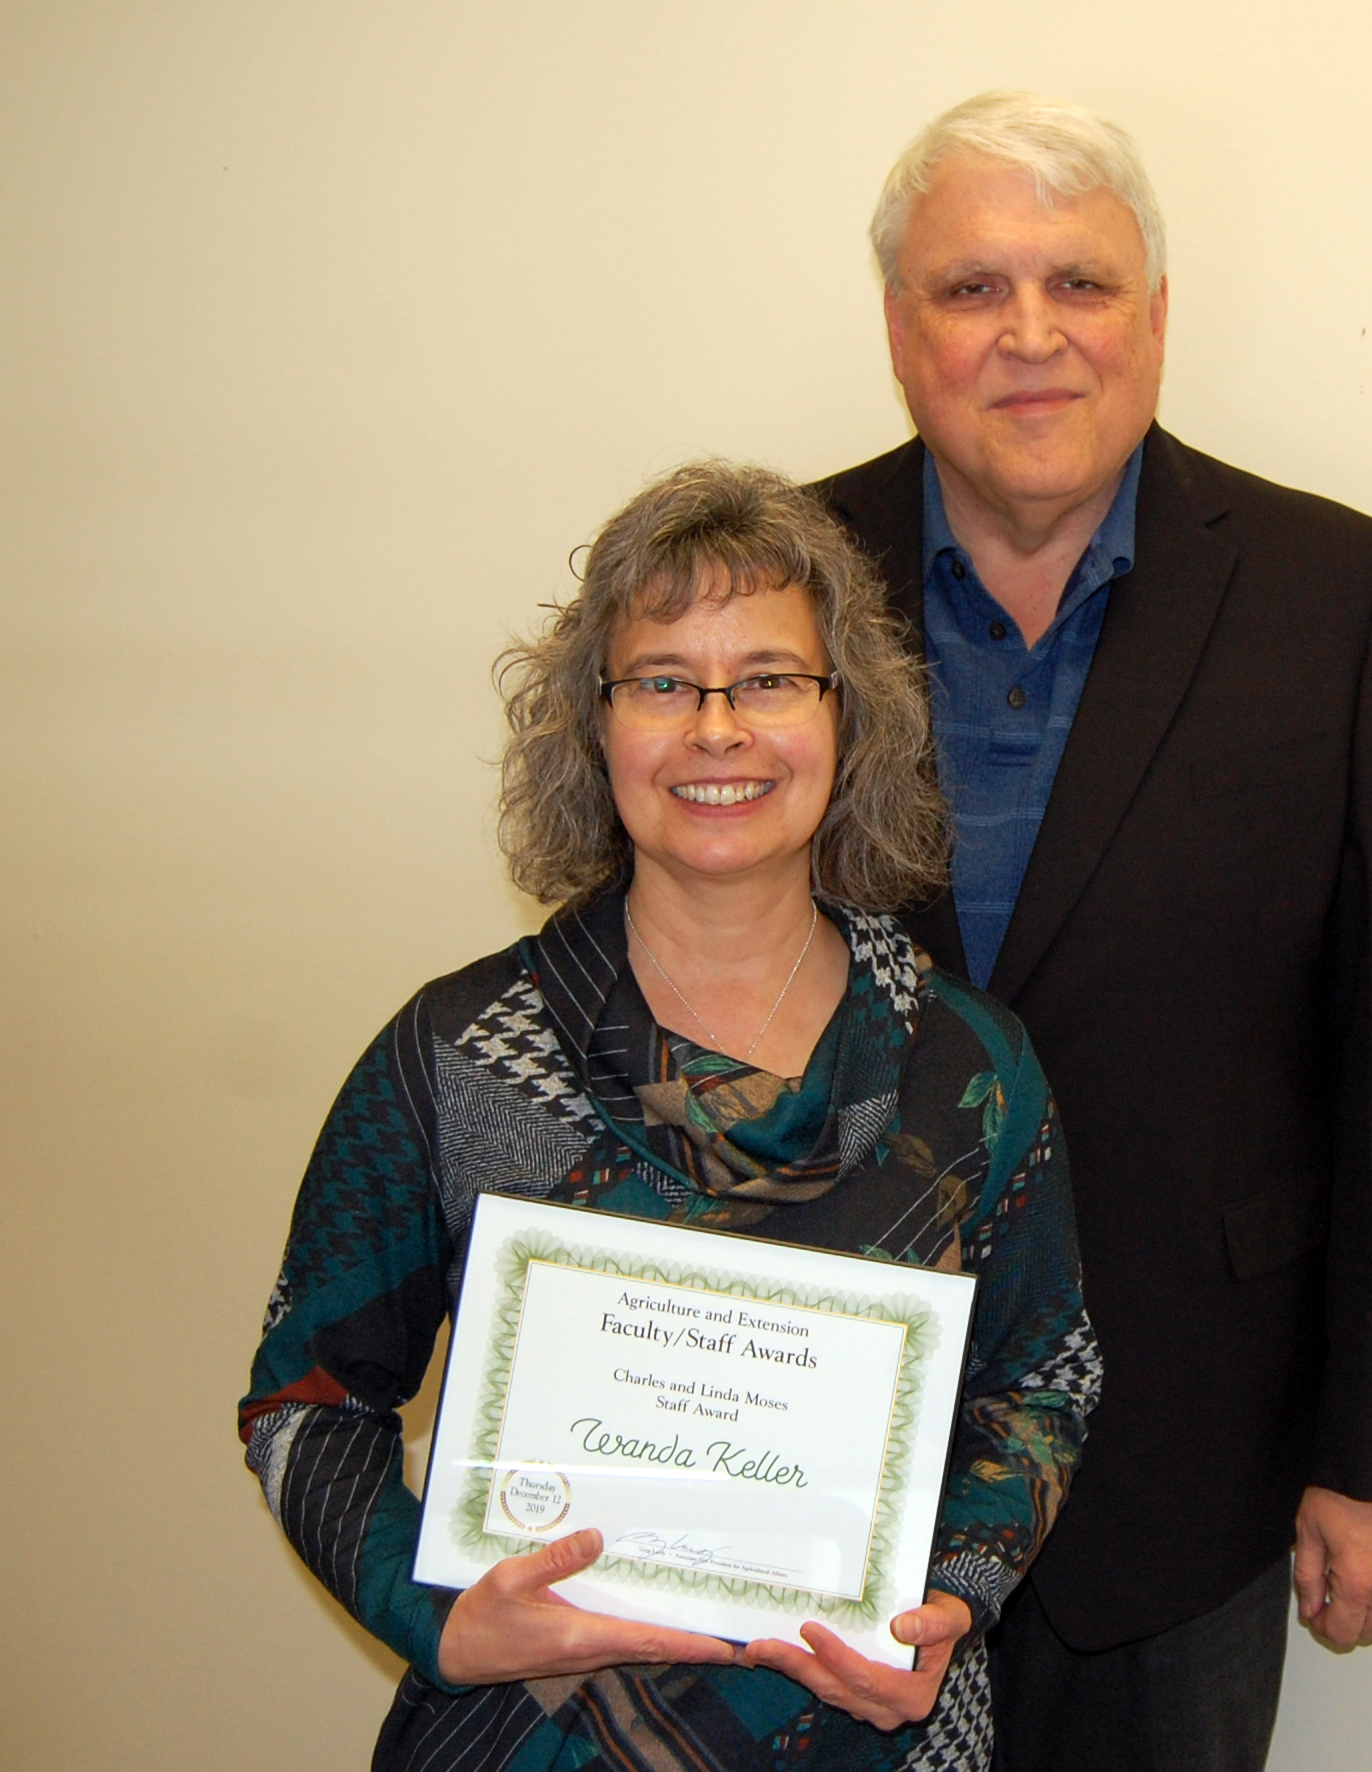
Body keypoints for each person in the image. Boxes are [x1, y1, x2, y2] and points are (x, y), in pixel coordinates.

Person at [239, 461, 1100, 1772]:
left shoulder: (966, 1068)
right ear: (594, 727)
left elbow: (1045, 1379)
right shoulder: (464, 1056)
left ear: (845, 719)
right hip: (531, 1742)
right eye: (662, 680)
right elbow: (304, 1398)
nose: (717, 728)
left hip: (870, 1738)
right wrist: (438, 1619)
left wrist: (956, 1595)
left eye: (767, 678)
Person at [814, 93, 1372, 1771]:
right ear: (899, 331)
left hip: (1194, 1459)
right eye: (971, 291)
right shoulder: (776, 588)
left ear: (1156, 318)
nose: (1031, 337)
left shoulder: (1329, 589)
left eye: (1081, 285)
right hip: (827, 1449)